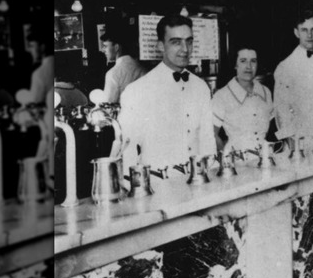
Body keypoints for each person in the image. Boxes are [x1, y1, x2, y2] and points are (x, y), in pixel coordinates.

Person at [117, 14, 215, 171]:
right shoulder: (137, 91)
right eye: (176, 42)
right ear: (161, 46)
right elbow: (128, 150)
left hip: (198, 182)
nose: (185, 49)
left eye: (189, 42)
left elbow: (208, 142)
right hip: (158, 186)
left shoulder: (201, 87)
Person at [273, 10, 313, 147]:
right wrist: (291, 141)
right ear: (296, 33)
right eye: (304, 30)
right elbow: (281, 108)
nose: (309, 35)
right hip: (299, 142)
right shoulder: (286, 66)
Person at [212, 44, 274, 152]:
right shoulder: (222, 96)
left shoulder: (265, 92)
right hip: (237, 163)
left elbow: (271, 130)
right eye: (243, 61)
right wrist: (227, 159)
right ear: (235, 65)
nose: (249, 66)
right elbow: (211, 135)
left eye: (253, 61)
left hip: (265, 159)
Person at [100, 18, 146, 103]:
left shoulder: (113, 73)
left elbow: (108, 104)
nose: (103, 50)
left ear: (116, 47)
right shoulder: (142, 68)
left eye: (105, 46)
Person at [26, 24, 54, 103]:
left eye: (32, 46)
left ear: (42, 47)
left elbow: (35, 103)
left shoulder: (38, 74)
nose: (30, 50)